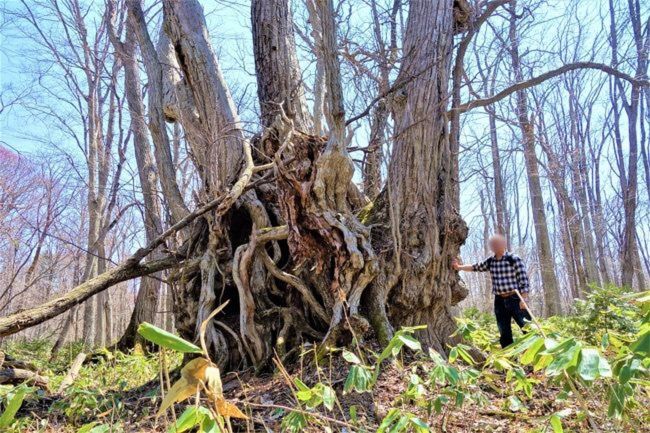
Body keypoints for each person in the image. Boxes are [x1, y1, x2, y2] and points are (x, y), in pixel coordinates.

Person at [452, 234, 532, 348]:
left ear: (503, 244)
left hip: (515, 298)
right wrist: (459, 267)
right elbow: (476, 267)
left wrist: (524, 298)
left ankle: (534, 355)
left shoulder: (513, 259)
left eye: (497, 243)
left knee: (527, 327)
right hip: (499, 300)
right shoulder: (491, 261)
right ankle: (508, 356)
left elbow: (523, 279)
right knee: (504, 331)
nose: (494, 246)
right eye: (492, 244)